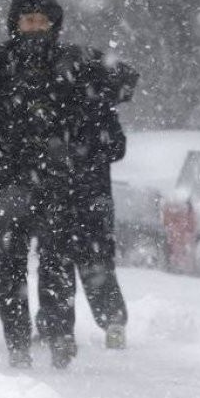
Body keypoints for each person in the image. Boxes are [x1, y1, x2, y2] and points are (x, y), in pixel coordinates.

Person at [0, 0, 111, 368]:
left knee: (56, 260)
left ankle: (59, 334)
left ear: (53, 24)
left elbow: (96, 115)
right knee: (12, 260)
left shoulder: (71, 63)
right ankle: (18, 340)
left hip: (58, 179)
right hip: (10, 178)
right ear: (16, 23)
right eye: (28, 19)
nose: (35, 26)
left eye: (42, 20)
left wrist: (78, 142)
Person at [35, 55, 138, 351]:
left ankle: (55, 325)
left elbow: (114, 148)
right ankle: (111, 319)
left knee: (56, 261)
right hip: (92, 194)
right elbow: (116, 148)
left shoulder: (53, 106)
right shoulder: (100, 106)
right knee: (95, 261)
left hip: (63, 194)